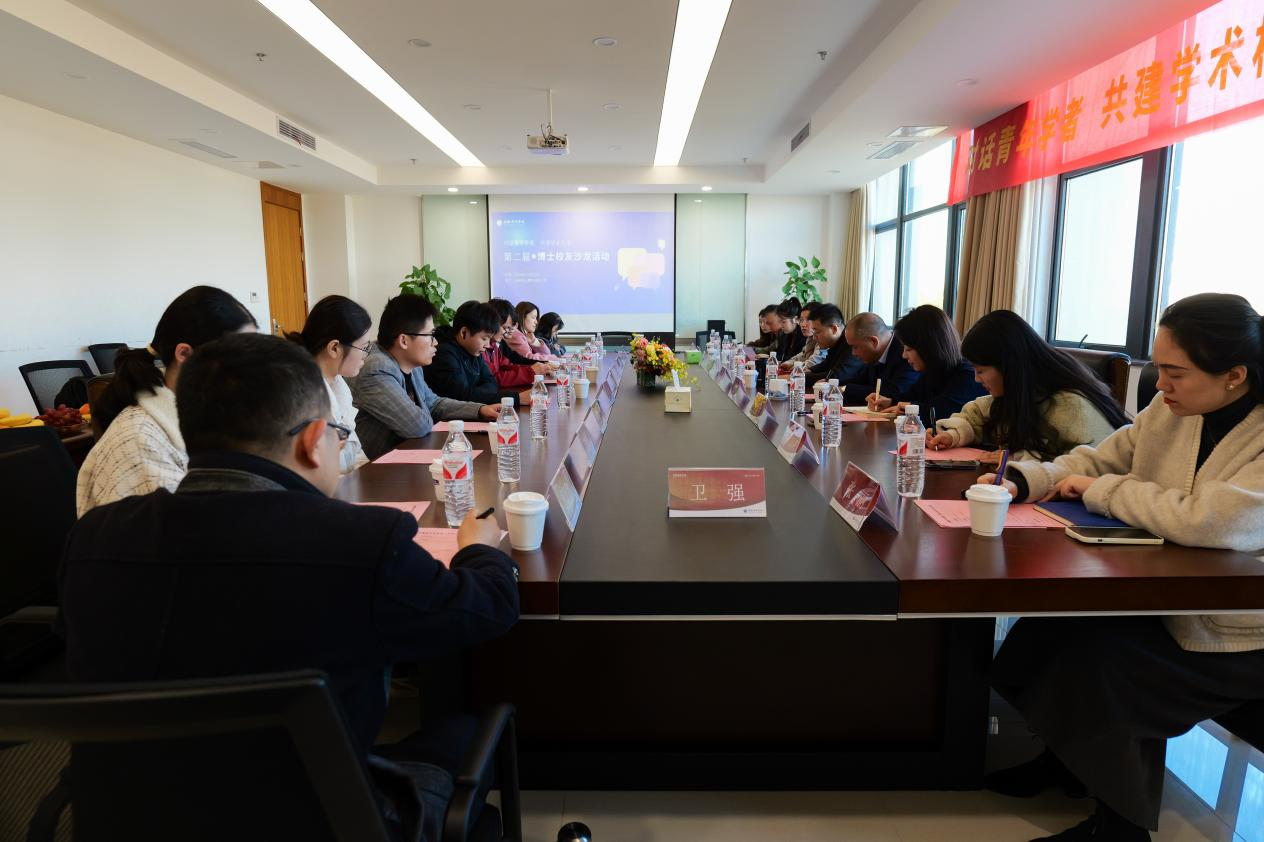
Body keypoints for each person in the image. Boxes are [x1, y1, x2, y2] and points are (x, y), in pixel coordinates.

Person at [60, 332, 519, 842]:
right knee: (464, 731)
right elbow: (488, 609)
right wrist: (478, 548)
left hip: (125, 819)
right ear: (311, 439)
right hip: (318, 819)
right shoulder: (358, 542)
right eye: (338, 433)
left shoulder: (94, 538)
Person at [980, 293, 1264, 841]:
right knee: (1050, 632)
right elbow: (1099, 457)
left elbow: (1214, 522)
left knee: (1104, 664)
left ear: (1234, 376)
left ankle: (1120, 829)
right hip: (1174, 595)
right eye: (1159, 368)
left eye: (1175, 373)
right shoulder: (1171, 411)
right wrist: (1024, 479)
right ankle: (1066, 766)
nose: (1160, 385)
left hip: (1238, 627)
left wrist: (1105, 492)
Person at [77, 285, 256, 516]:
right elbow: (183, 528)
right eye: (237, 357)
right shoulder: (139, 441)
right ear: (185, 354)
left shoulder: (208, 415)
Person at [926, 310, 1127, 461]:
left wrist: (1017, 457)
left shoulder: (1071, 406)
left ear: (1008, 366)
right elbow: (977, 414)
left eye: (981, 371)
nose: (977, 379)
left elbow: (1090, 464)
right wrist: (952, 435)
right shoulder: (1019, 394)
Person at [349, 295, 500, 461]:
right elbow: (417, 426)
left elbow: (433, 403)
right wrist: (428, 412)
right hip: (374, 468)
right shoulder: (377, 369)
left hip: (405, 456)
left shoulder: (410, 363)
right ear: (404, 340)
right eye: (430, 335)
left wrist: (480, 410)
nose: (435, 342)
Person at [286, 295, 373, 474]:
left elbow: (356, 453)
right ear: (334, 348)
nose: (366, 355)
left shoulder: (337, 383)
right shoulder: (308, 393)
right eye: (364, 347)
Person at [865, 305, 986, 426]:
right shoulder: (932, 372)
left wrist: (910, 407)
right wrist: (890, 401)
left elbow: (942, 413)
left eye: (909, 349)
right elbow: (910, 397)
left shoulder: (968, 374)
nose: (904, 355)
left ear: (929, 347)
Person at [427, 301, 530, 406]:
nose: (487, 345)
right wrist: (516, 398)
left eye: (489, 339)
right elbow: (462, 397)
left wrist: (475, 392)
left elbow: (492, 382)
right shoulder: (444, 355)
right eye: (484, 338)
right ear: (464, 333)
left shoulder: (474, 351)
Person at [836, 312, 919, 405]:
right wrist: (832, 385)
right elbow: (860, 379)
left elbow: (895, 393)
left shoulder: (905, 352)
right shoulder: (874, 355)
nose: (853, 353)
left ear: (874, 341)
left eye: (855, 347)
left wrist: (844, 389)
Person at [485, 298, 548, 391]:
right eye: (504, 327)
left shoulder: (494, 345)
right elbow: (494, 379)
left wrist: (532, 369)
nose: (506, 332)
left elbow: (506, 365)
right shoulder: (483, 347)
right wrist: (531, 371)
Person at [804, 304, 863, 387]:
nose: (814, 337)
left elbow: (837, 377)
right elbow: (827, 364)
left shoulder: (851, 343)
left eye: (817, 332)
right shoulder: (836, 343)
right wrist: (810, 370)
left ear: (834, 329)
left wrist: (801, 377)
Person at [778, 301, 826, 373]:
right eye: (801, 320)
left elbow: (816, 360)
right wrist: (789, 363)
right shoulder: (810, 337)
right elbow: (803, 354)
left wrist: (797, 367)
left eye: (809, 320)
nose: (803, 325)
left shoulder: (823, 338)